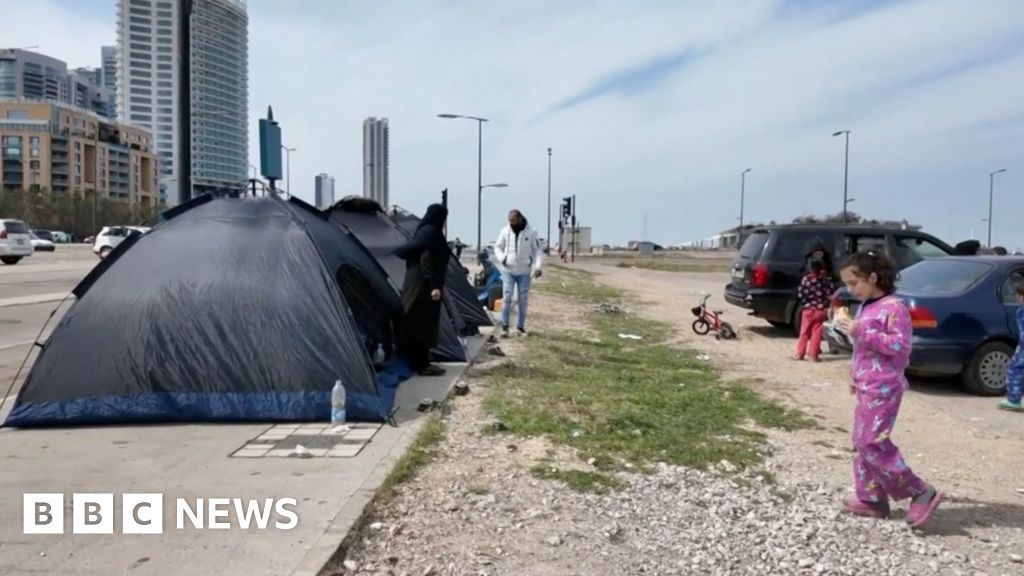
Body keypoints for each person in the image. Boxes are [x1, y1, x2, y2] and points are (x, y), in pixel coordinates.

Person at [835, 251, 943, 527]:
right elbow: (863, 349)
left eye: (854, 282)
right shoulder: (867, 306)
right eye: (847, 284)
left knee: (872, 442)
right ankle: (871, 498)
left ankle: (921, 491)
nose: (851, 289)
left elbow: (900, 346)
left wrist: (861, 331)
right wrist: (855, 375)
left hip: (884, 387)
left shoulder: (894, 307)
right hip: (866, 384)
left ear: (873, 277)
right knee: (860, 442)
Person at [393, 204, 450, 376]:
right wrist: (434, 286)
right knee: (422, 323)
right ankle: (422, 365)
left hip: (416, 283)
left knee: (416, 321)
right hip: (423, 286)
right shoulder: (431, 232)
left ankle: (418, 361)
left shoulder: (424, 231)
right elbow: (426, 259)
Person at [494, 209, 544, 336]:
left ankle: (520, 327)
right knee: (507, 298)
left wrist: (538, 267)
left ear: (520, 218)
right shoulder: (505, 231)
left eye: (513, 220)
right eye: (510, 221)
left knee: (523, 299)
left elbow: (537, 251)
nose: (511, 223)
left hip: (524, 271)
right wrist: (502, 258)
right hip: (508, 270)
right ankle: (505, 327)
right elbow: (498, 247)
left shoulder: (531, 232)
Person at [793, 258, 832, 361]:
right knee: (817, 333)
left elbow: (800, 293)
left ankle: (800, 353)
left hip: (808, 309)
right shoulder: (825, 280)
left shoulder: (806, 279)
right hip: (820, 310)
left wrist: (805, 302)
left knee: (804, 332)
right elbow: (829, 293)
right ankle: (813, 355)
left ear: (810, 268)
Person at [997, 279, 1024, 412]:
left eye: (1017, 295)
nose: (1016, 298)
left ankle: (1013, 399)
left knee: (1015, 369)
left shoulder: (1021, 311)